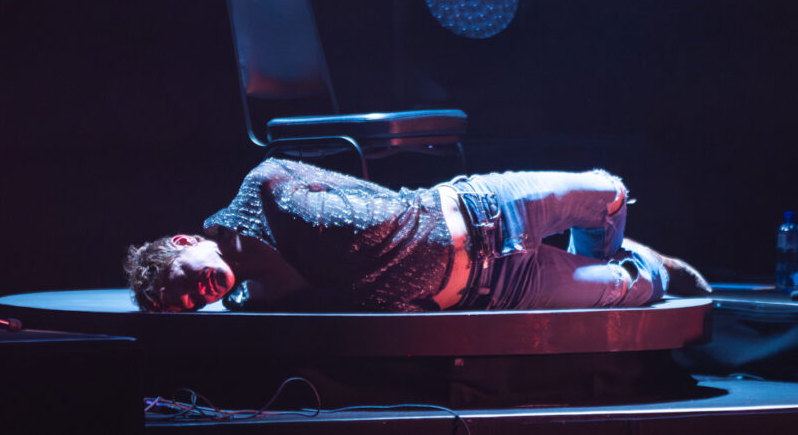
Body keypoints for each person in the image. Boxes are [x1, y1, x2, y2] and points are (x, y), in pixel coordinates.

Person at [124, 158, 711, 313]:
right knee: (639, 287)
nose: (199, 293)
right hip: (495, 289)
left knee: (610, 193)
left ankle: (609, 249)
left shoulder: (265, 184)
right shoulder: (267, 303)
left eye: (184, 282)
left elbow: (370, 194)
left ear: (183, 242)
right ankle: (645, 263)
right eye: (191, 303)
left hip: (486, 209)